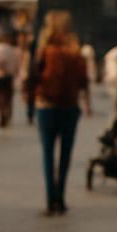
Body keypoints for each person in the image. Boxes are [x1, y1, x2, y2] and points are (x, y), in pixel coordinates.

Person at [28, 11, 91, 216]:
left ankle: (50, 200)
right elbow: (84, 80)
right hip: (70, 107)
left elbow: (33, 75)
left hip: (46, 106)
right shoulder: (75, 51)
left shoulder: (44, 50)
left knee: (48, 154)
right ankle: (61, 199)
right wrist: (87, 104)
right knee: (65, 155)